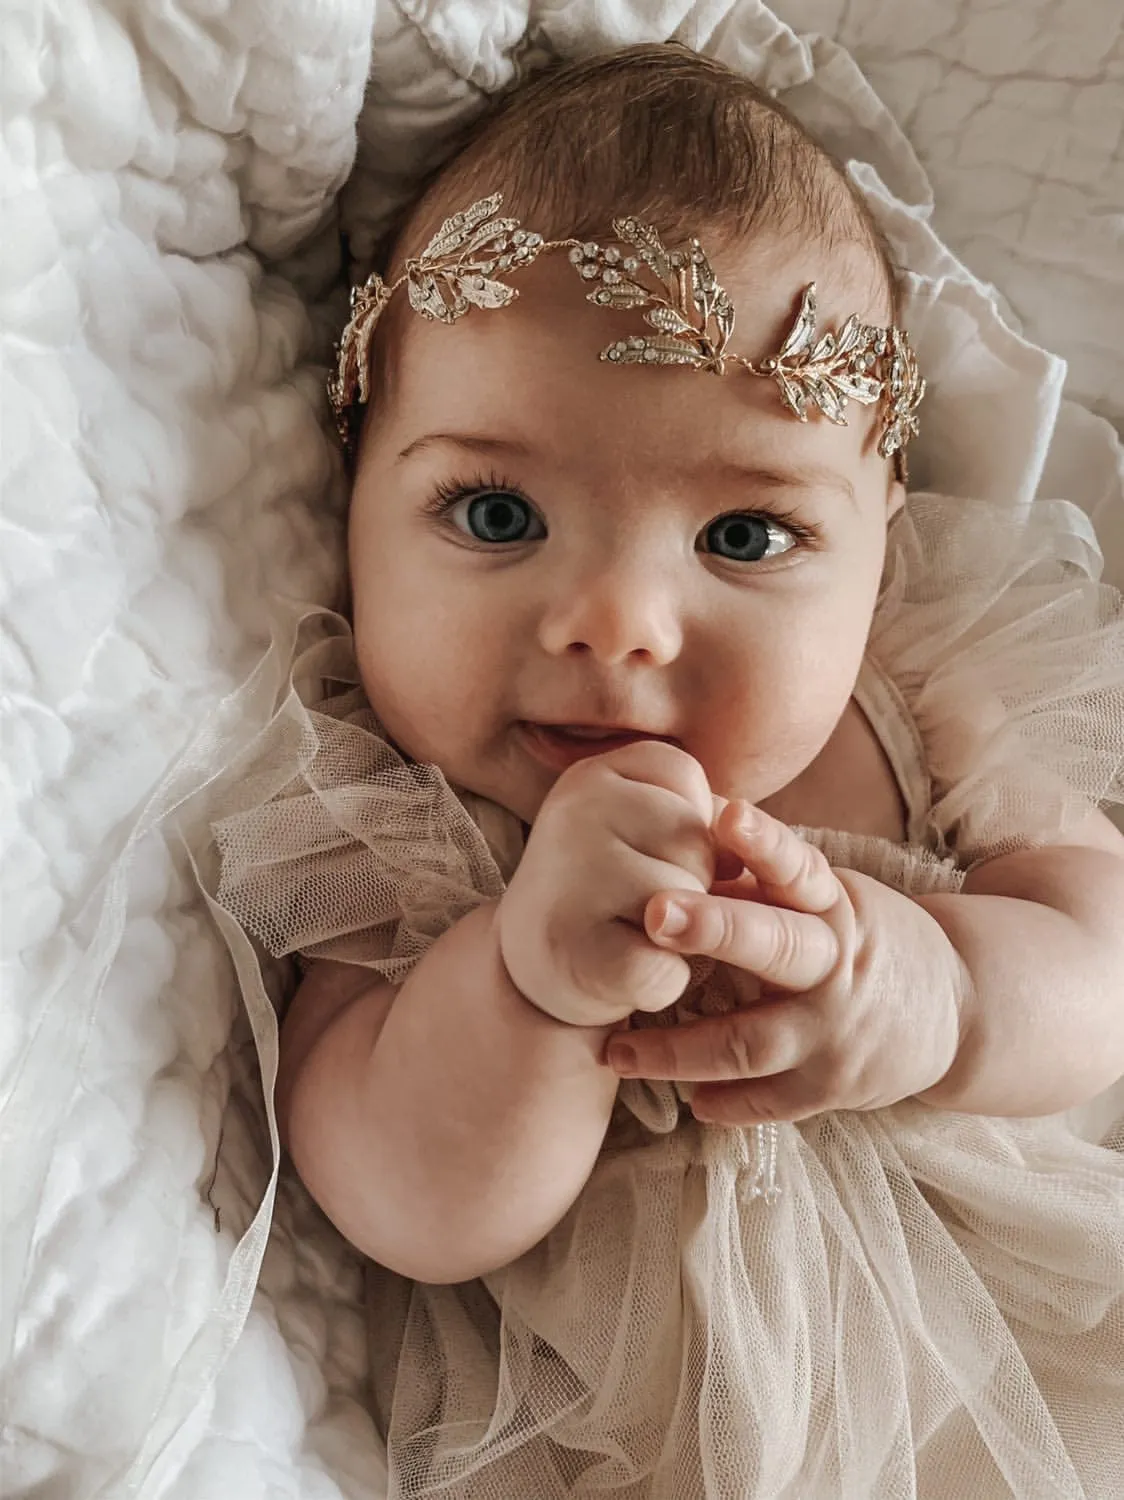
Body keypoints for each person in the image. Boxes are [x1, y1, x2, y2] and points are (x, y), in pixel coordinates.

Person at [212, 44, 1124, 1499]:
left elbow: (1109, 958)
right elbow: (402, 1200)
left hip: (1032, 1379)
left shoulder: (929, 696)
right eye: (498, 512)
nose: (617, 628)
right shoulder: (404, 826)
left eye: (746, 538)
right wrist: (528, 984)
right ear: (353, 494)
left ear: (879, 538)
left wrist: (943, 993)